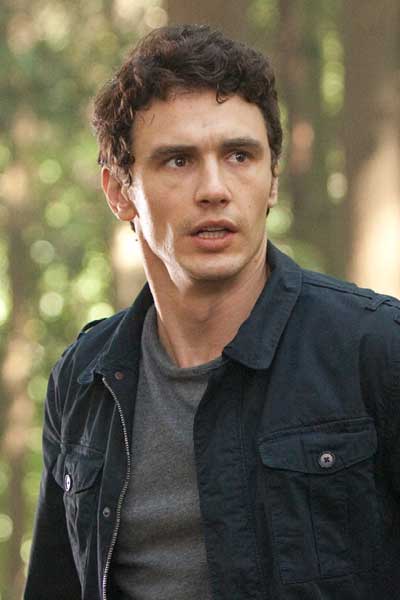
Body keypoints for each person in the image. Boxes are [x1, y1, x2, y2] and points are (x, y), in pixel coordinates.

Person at [24, 24, 400, 600]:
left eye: (240, 155)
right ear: (120, 192)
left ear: (272, 179)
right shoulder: (83, 380)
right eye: (178, 160)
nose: (215, 189)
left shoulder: (375, 350)